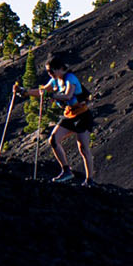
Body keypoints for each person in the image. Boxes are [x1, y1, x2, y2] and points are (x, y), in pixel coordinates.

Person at [16, 56, 94, 185]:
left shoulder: (70, 78)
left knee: (83, 148)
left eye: (51, 71)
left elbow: (68, 95)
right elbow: (42, 91)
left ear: (60, 69)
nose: (50, 74)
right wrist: (25, 92)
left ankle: (89, 180)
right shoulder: (54, 81)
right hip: (69, 115)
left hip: (82, 116)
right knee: (53, 139)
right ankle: (66, 171)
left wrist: (51, 95)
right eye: (48, 71)